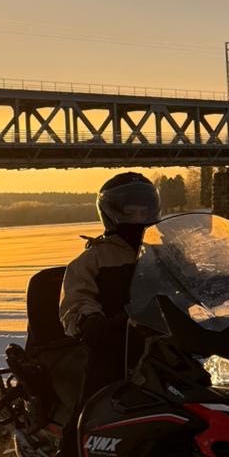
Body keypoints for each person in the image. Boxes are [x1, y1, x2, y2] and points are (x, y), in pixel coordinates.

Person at [60, 171, 161, 405]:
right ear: (112, 213)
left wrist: (223, 283)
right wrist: (89, 318)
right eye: (130, 212)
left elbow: (190, 277)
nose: (138, 218)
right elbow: (77, 297)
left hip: (167, 341)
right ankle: (74, 439)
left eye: (143, 212)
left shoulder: (163, 253)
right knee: (96, 405)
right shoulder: (93, 259)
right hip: (116, 344)